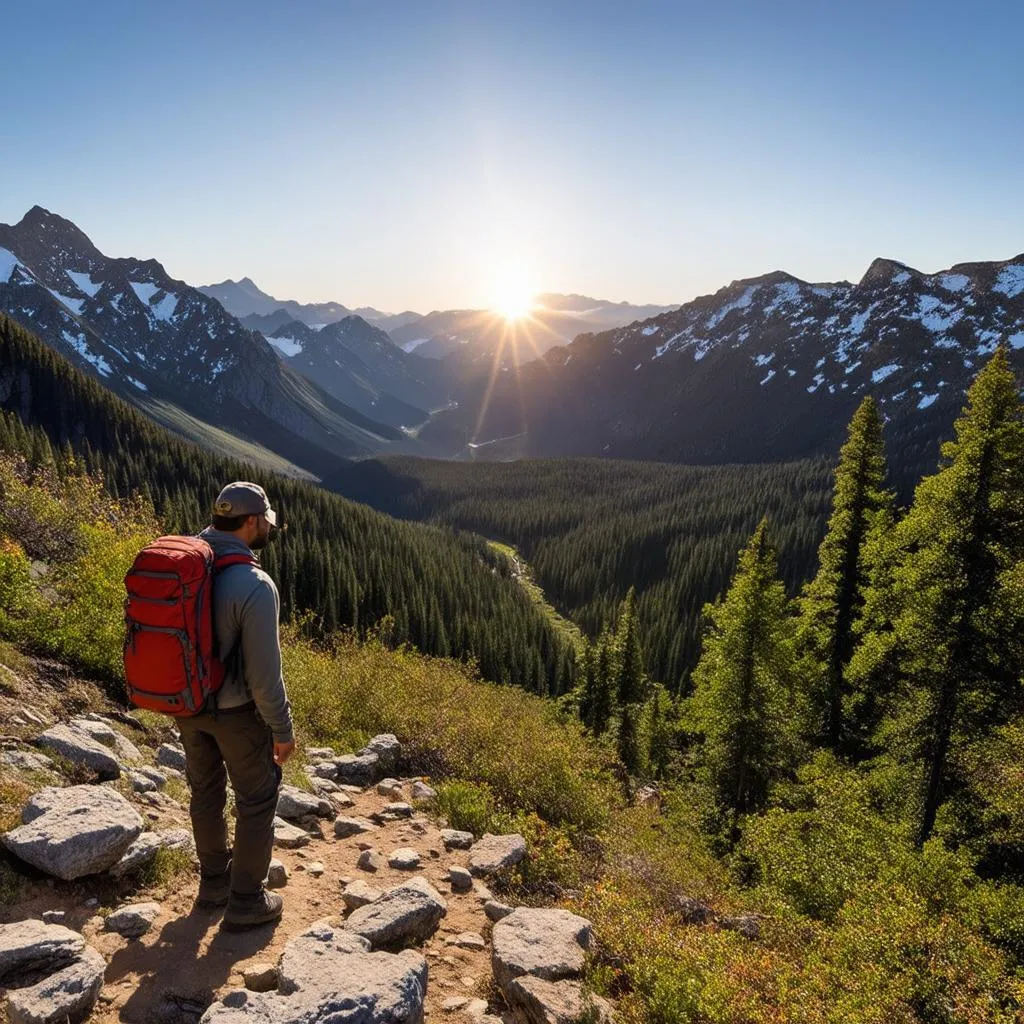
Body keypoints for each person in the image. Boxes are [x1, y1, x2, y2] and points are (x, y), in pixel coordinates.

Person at [177, 481, 296, 930]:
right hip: (236, 714)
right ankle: (246, 900)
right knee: (257, 797)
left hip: (187, 705)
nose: (268, 527)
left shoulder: (188, 564)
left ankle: (212, 886)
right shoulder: (254, 584)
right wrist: (282, 731)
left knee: (205, 792)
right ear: (249, 522)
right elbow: (265, 679)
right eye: (265, 520)